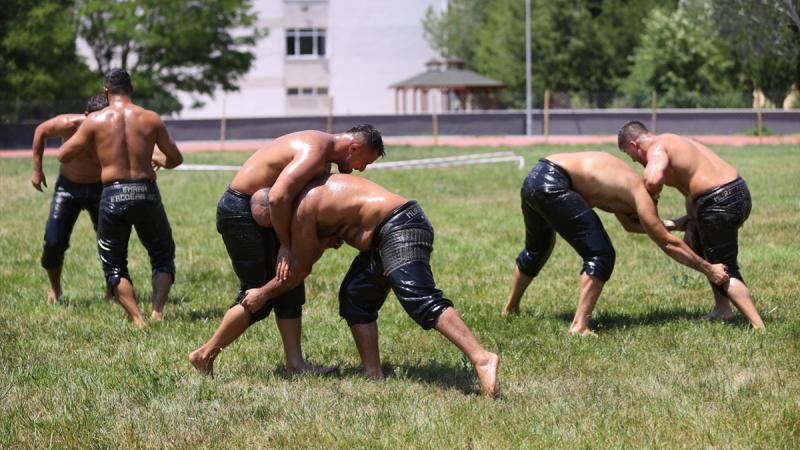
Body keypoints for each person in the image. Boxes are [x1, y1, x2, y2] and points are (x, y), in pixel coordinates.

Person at [190, 174, 500, 398]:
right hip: (383, 235)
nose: (277, 234)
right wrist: (323, 242)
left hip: (400, 225)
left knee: (418, 296)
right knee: (355, 298)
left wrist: (263, 293)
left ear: (276, 209)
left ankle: (481, 357)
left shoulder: (301, 208)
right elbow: (311, 252)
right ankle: (372, 373)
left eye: (273, 227)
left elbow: (298, 271)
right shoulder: (304, 198)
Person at [211, 125, 384, 376]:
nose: (361, 169)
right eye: (364, 162)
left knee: (289, 286)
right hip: (241, 212)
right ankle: (204, 354)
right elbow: (277, 198)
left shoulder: (323, 158)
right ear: (354, 148)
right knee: (258, 293)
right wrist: (286, 245)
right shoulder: (315, 150)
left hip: (265, 215)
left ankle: (295, 365)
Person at [501, 152, 730, 336]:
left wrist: (675, 224)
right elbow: (668, 244)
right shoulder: (641, 193)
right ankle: (579, 327)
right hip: (557, 183)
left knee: (537, 248)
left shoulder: (622, 184)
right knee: (600, 254)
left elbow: (632, 225)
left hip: (536, 176)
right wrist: (709, 269)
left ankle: (510, 308)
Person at [58, 69, 183, 325]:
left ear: (106, 91)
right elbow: (176, 159)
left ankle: (137, 319)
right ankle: (157, 311)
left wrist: (95, 144)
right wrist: (158, 159)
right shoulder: (151, 118)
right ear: (131, 90)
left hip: (113, 194)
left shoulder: (95, 121)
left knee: (114, 263)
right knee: (162, 253)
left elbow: (63, 154)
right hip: (146, 191)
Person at [617, 121, 765, 329]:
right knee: (706, 253)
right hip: (738, 192)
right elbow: (691, 187)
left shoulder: (657, 149)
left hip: (717, 203)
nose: (633, 160)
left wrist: (649, 195)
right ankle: (723, 309)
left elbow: (652, 181)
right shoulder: (677, 140)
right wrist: (692, 221)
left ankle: (758, 326)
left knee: (722, 268)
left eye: (629, 154)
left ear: (634, 145)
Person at [31, 95, 109, 303]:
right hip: (68, 188)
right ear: (85, 116)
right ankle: (55, 289)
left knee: (110, 241)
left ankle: (113, 290)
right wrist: (37, 171)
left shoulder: (112, 128)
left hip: (100, 187)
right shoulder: (68, 124)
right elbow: (41, 131)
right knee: (53, 240)